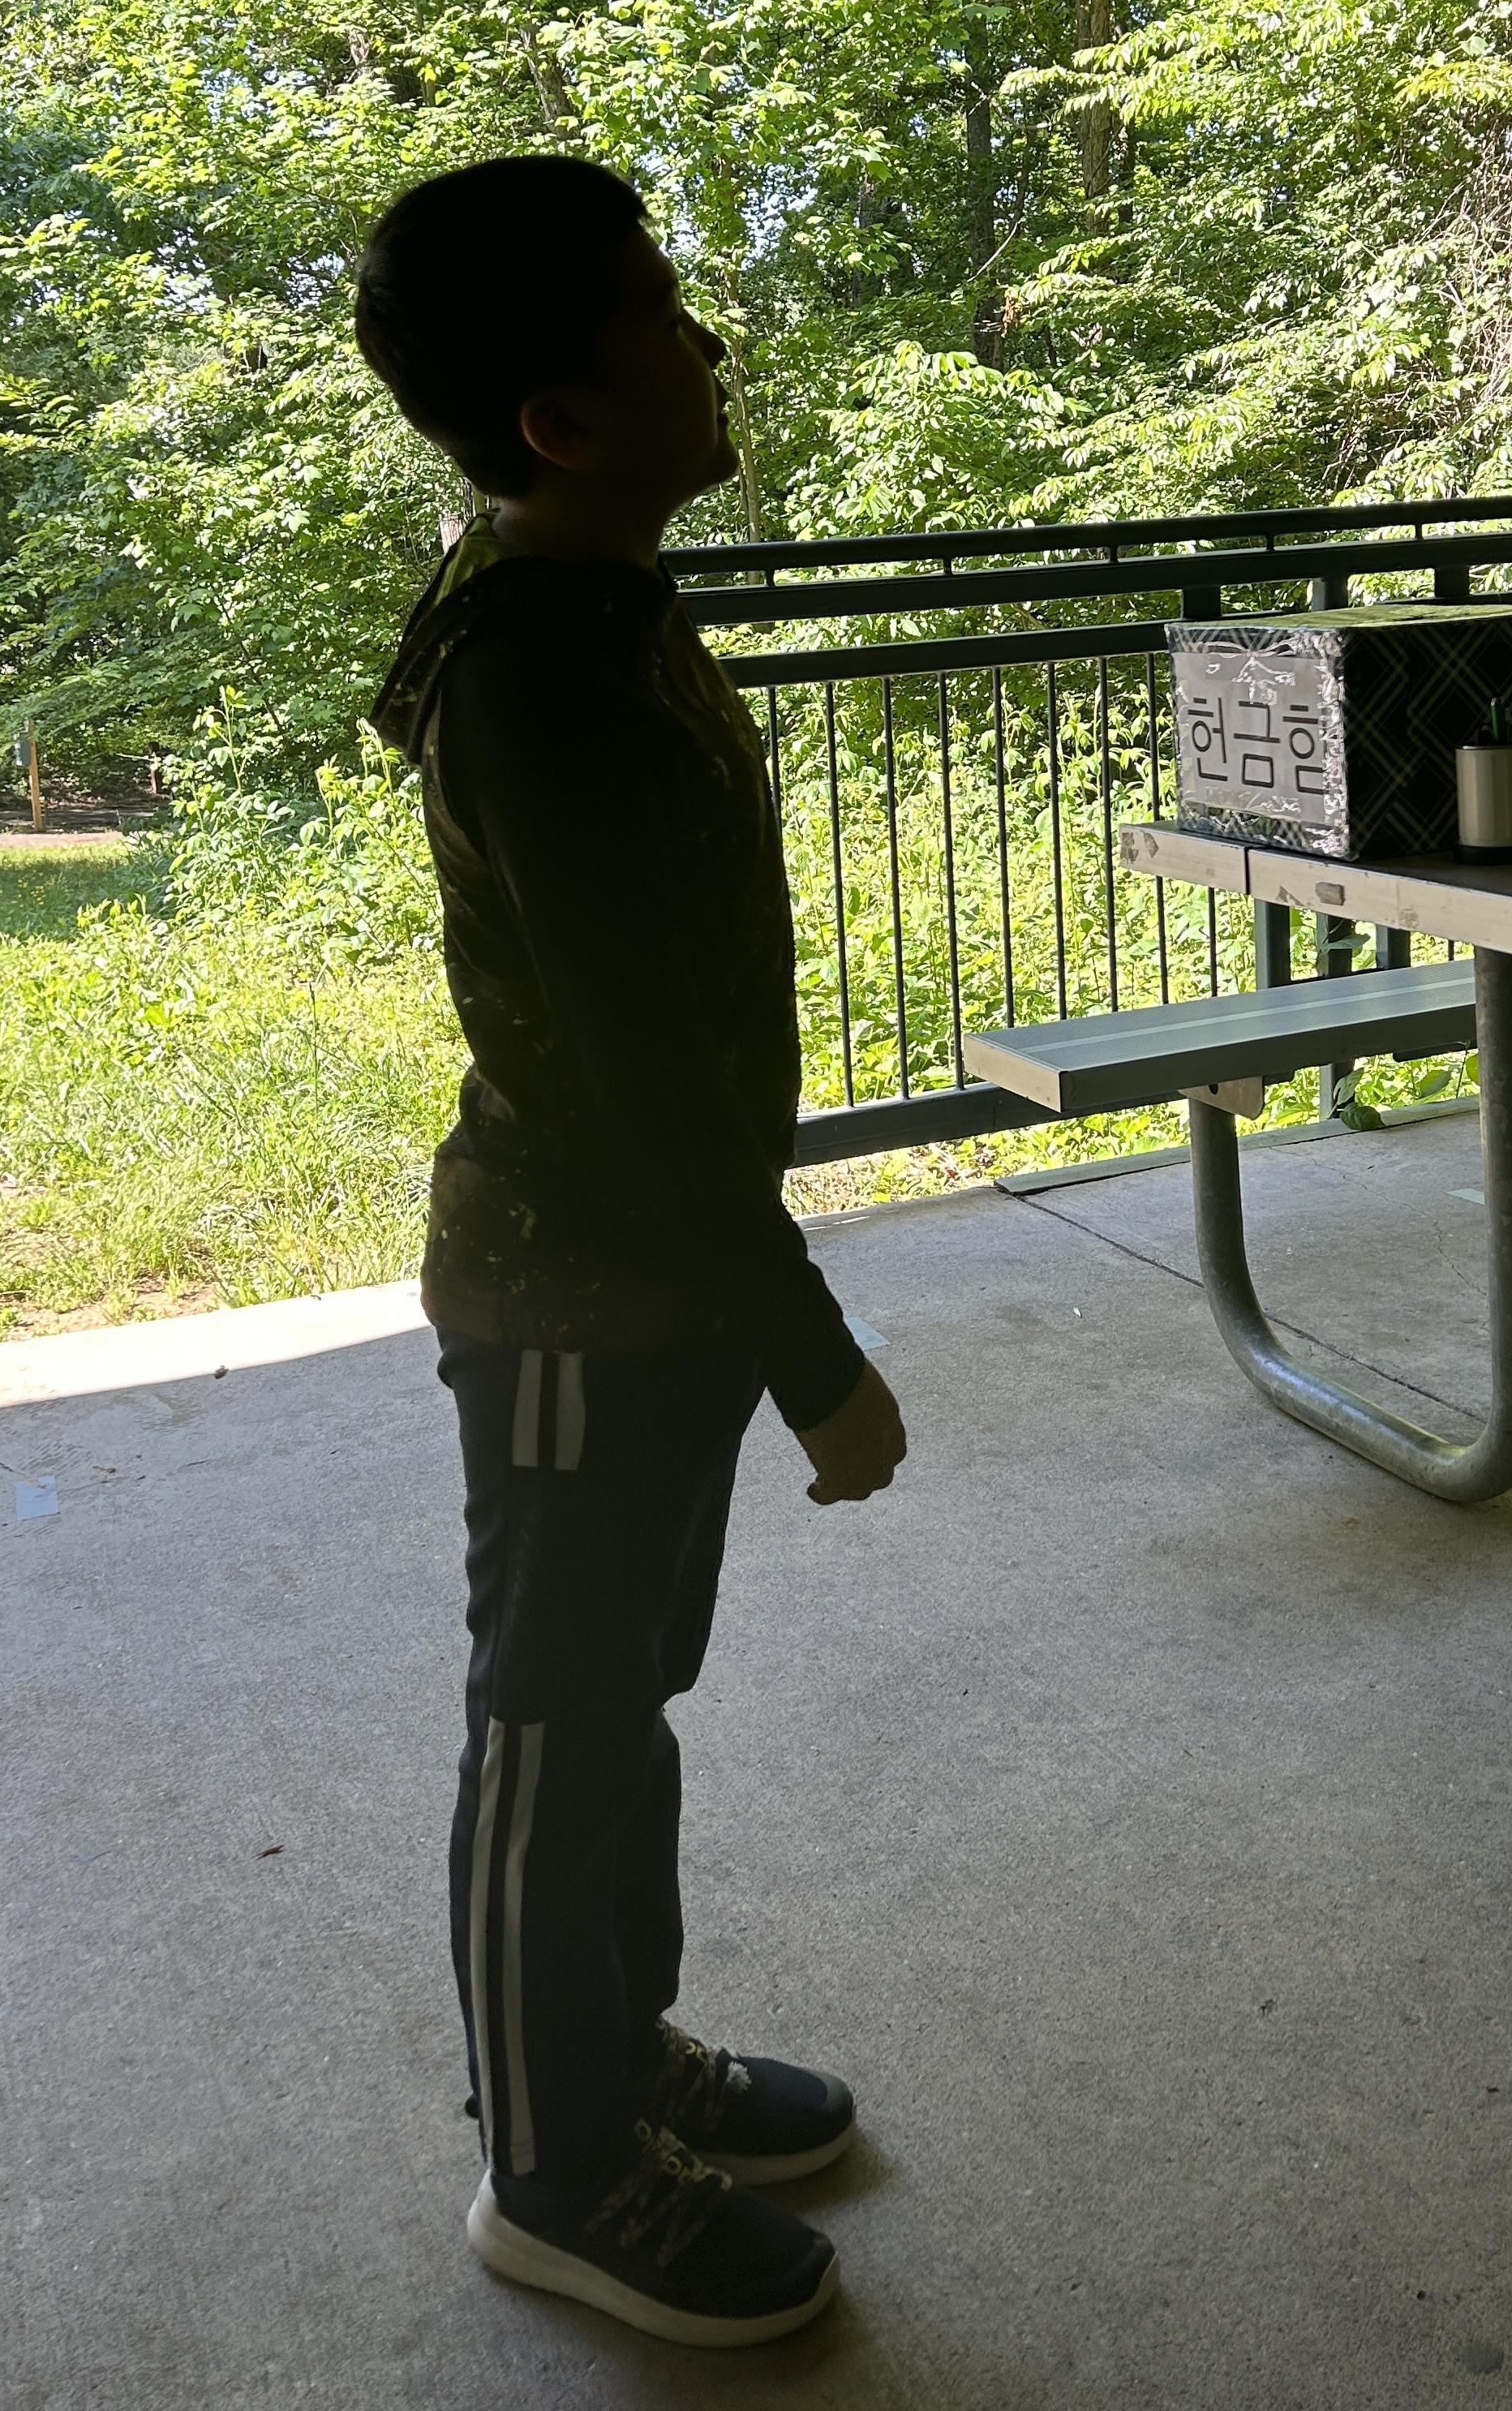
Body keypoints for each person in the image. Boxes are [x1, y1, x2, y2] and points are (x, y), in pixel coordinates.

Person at [360, 155, 909, 2350]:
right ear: (563, 421)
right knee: (549, 1720)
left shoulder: (592, 601)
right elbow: (642, 1093)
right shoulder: (542, 677)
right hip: (578, 1294)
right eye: (663, 311)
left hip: (649, 1285)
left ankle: (619, 2052)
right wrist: (816, 1355)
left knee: (627, 1696)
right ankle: (549, 2166)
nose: (711, 340)